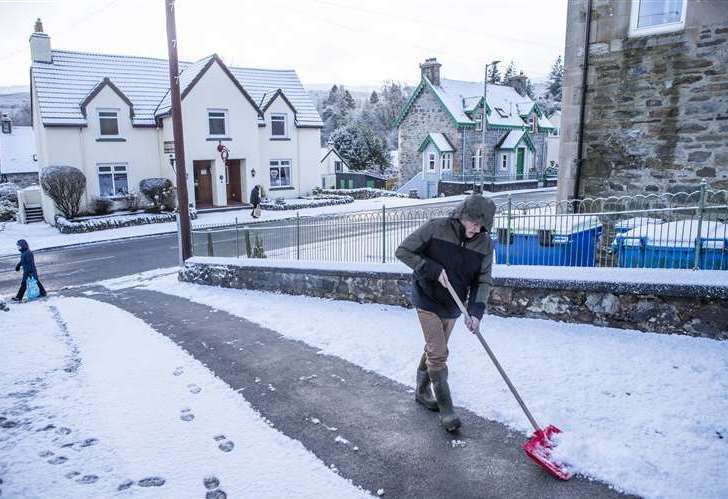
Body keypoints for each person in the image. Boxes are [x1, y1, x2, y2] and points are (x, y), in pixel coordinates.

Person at [395, 194, 495, 432]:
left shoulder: (484, 245)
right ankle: (446, 408)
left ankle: (421, 390)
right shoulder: (435, 228)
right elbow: (403, 251)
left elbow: (483, 281)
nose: (476, 228)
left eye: (481, 224)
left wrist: (476, 311)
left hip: (454, 305)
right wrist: (430, 268)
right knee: (439, 353)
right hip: (427, 297)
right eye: (473, 221)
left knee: (433, 348)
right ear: (462, 214)